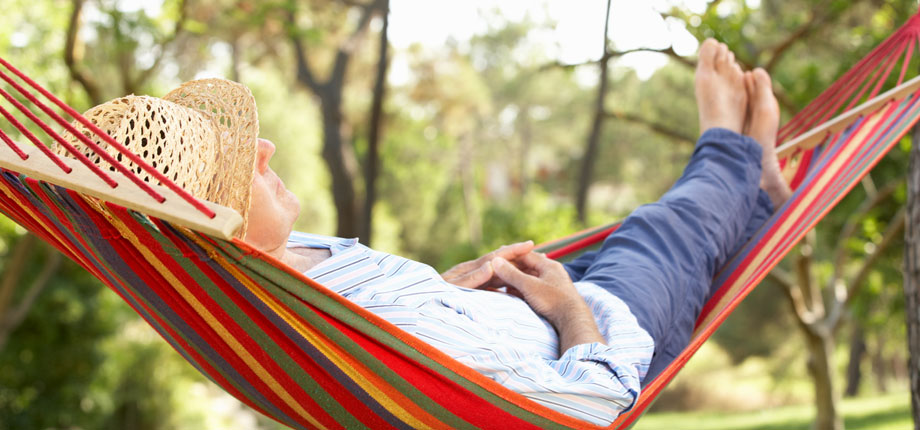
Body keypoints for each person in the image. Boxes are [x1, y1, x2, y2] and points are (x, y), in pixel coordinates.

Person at [62, 39, 790, 425]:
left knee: (653, 232)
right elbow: (584, 411)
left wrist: (450, 287)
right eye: (236, 166)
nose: (266, 150)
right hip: (602, 336)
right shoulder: (304, 323)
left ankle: (758, 193)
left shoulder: (295, 280)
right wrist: (569, 306)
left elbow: (407, 334)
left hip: (519, 304)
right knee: (663, 233)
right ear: (210, 223)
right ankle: (730, 147)